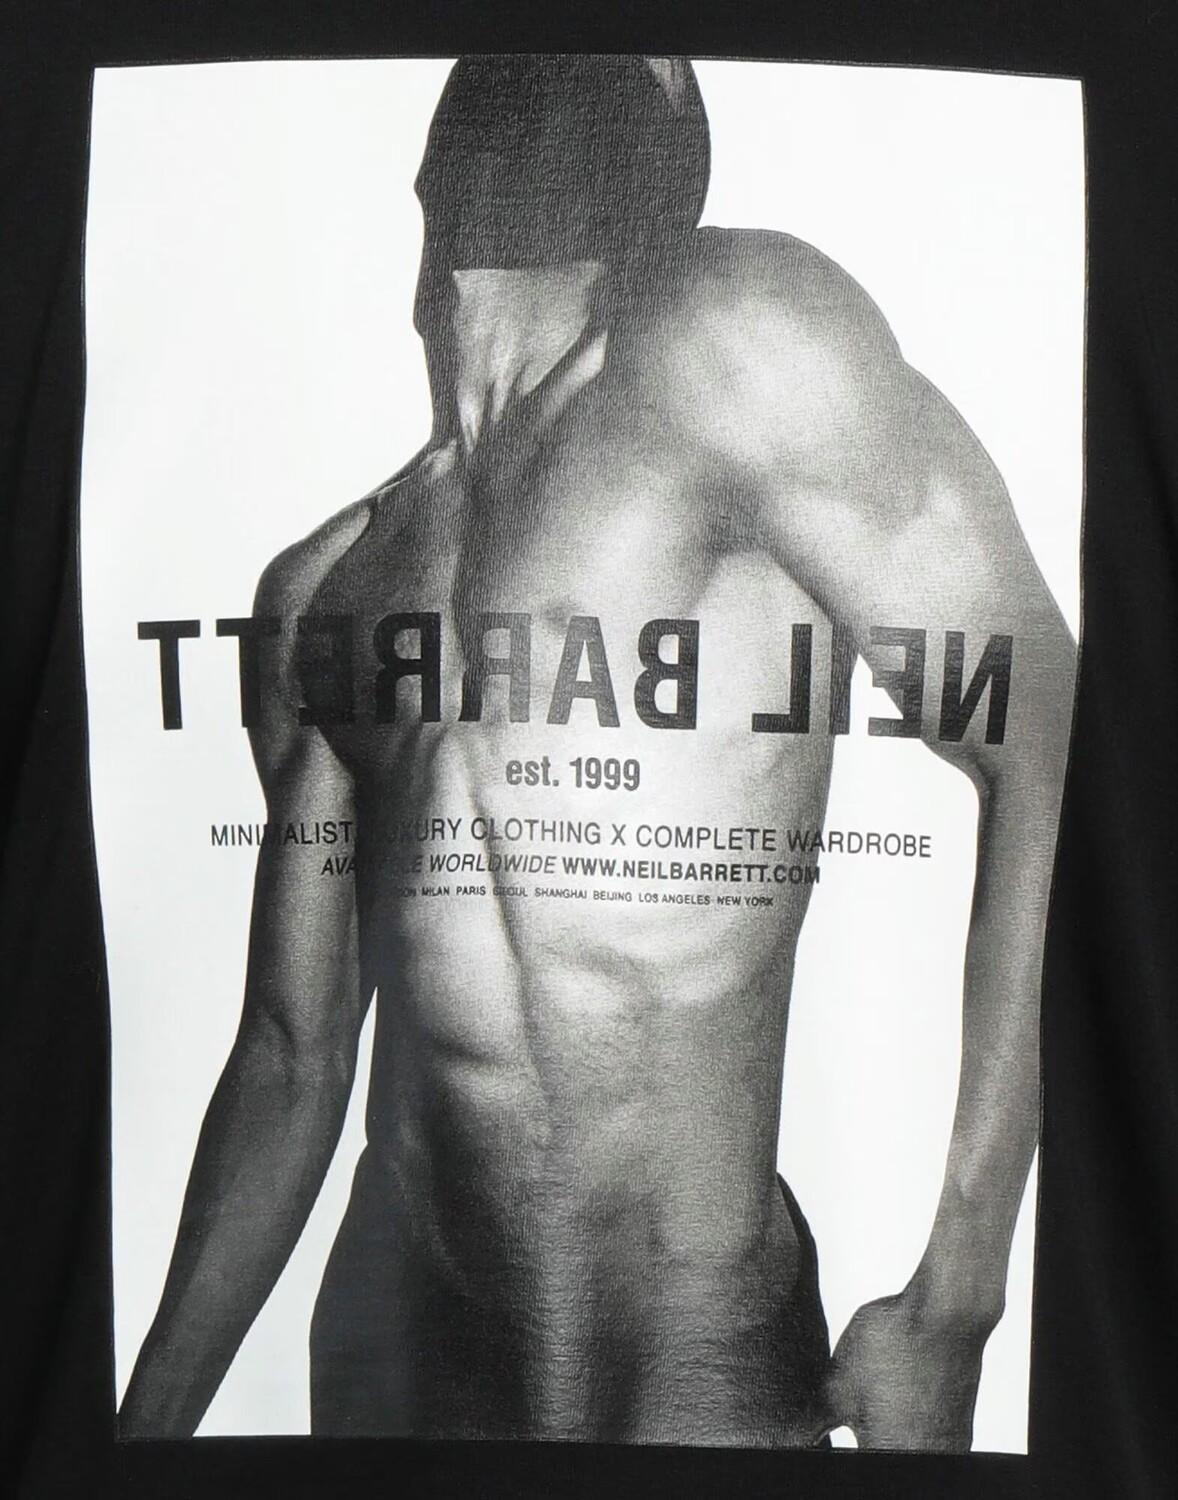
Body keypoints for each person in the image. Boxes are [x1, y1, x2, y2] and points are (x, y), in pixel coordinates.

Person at [119, 55, 1076, 1450]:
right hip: (400, 1369)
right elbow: (289, 1057)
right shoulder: (324, 591)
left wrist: (959, 1296)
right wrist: (128, 1440)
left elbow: (1048, 733)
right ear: (427, 172)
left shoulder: (735, 343)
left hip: (704, 1370)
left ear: (669, 160)